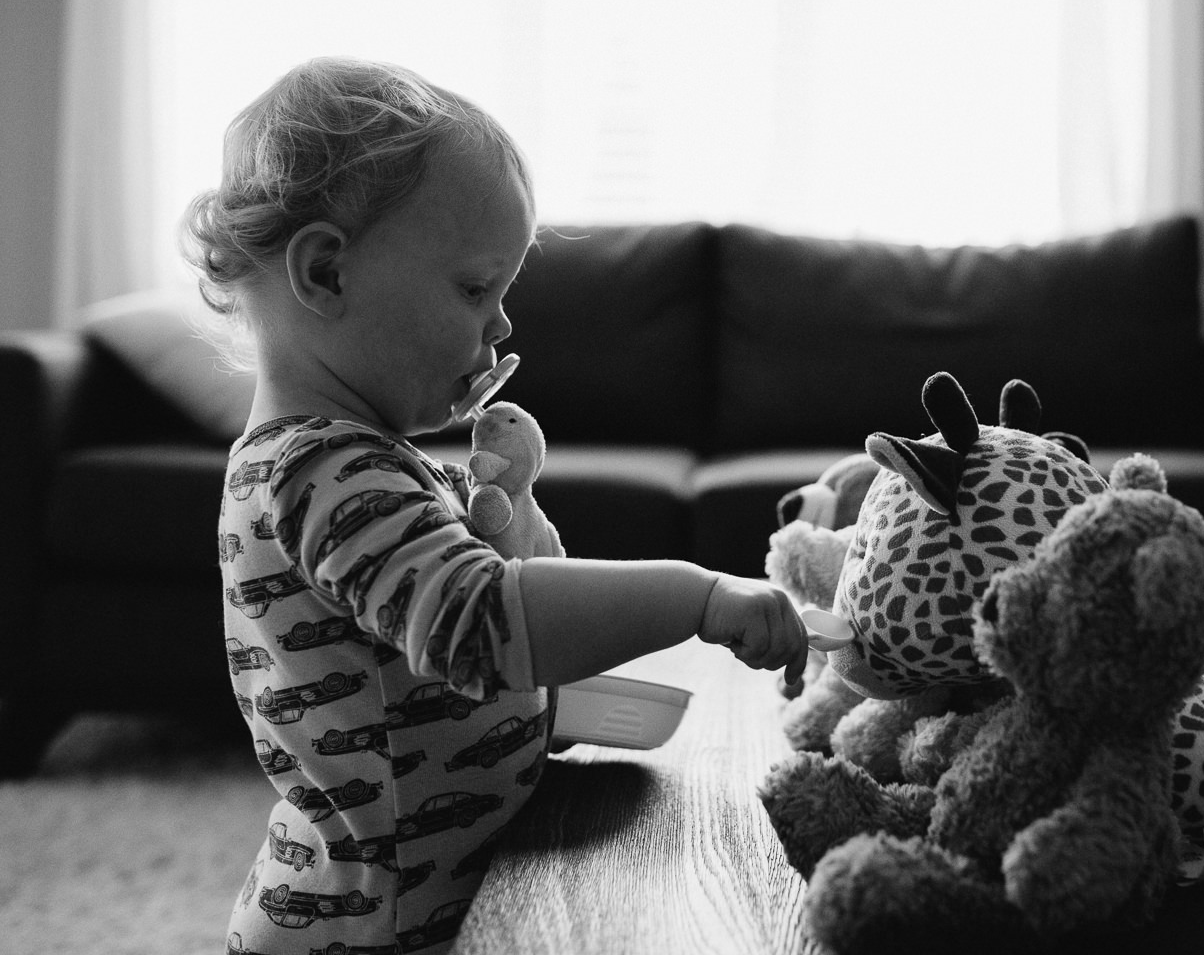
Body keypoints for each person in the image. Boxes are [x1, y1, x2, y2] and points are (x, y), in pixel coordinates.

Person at [186, 57, 807, 955]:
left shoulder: (348, 462)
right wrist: (697, 597)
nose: (503, 324)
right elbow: (482, 628)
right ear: (325, 273)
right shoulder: (321, 474)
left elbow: (499, 614)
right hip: (381, 925)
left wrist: (509, 508)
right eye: (476, 289)